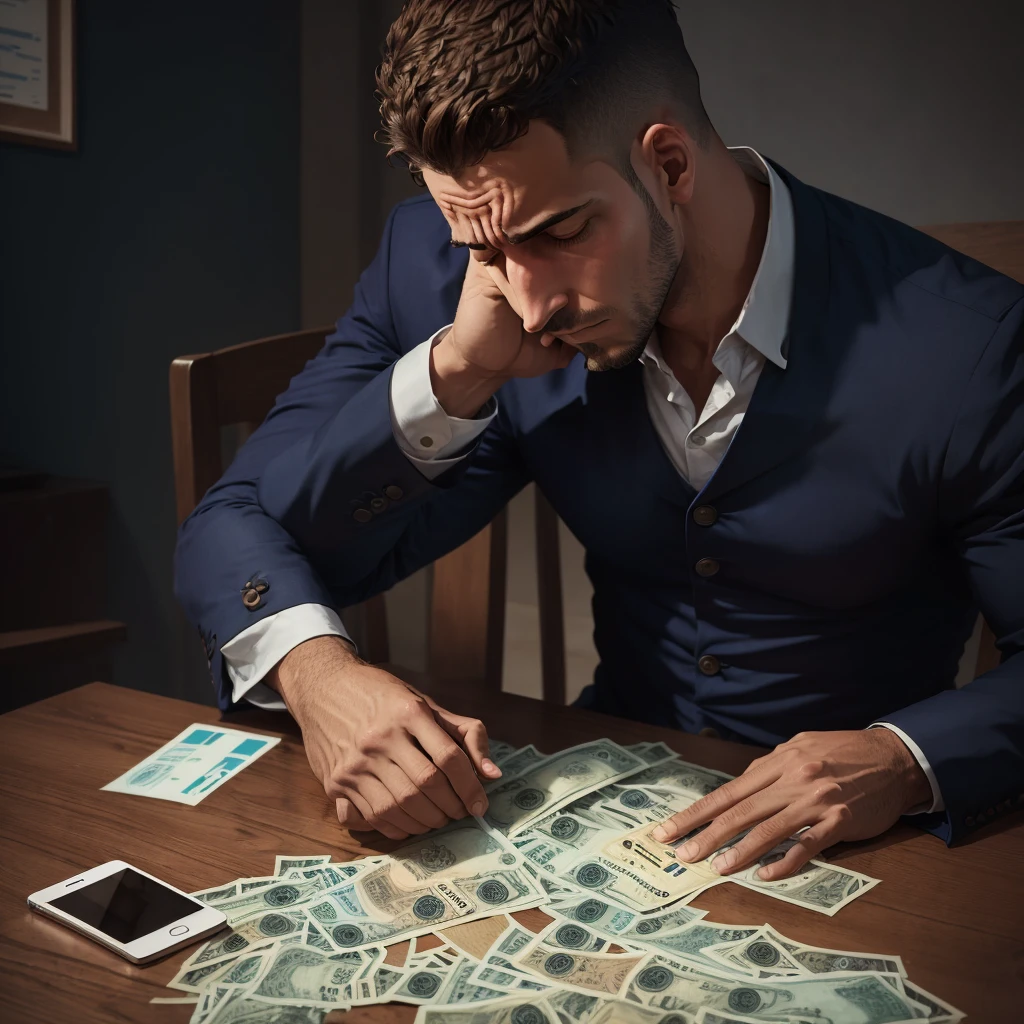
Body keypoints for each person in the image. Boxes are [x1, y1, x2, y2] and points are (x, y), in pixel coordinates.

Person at [175, 0, 1024, 881]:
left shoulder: (972, 344)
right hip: (604, 805)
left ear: (667, 164)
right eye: (483, 246)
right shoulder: (447, 274)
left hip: (877, 853)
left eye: (560, 233)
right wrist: (320, 674)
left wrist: (900, 759)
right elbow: (232, 523)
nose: (528, 304)